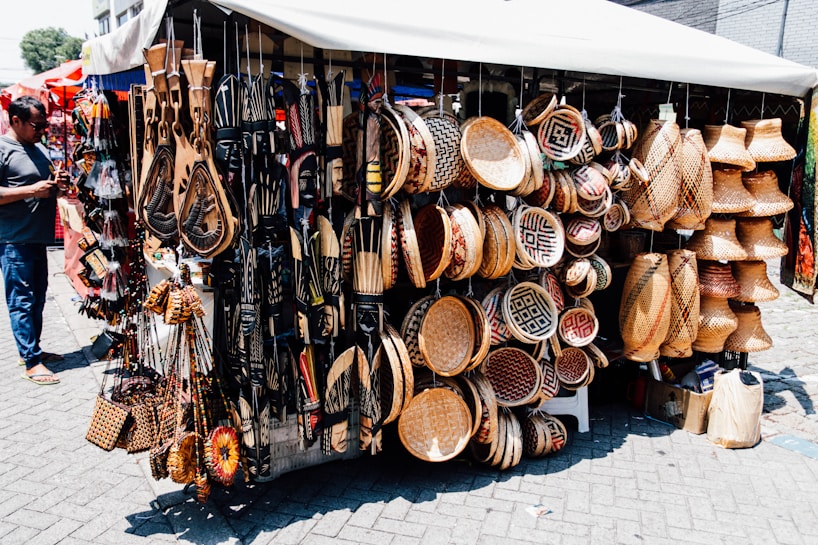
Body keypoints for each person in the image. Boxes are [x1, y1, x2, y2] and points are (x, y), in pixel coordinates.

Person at [0, 95, 69, 385]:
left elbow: (42, 186)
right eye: (36, 125)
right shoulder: (3, 149)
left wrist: (57, 185)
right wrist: (32, 190)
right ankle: (31, 361)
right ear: (15, 120)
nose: (42, 130)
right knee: (22, 300)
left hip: (37, 238)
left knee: (37, 298)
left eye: (43, 125)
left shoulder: (35, 148)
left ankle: (32, 350)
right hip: (15, 240)